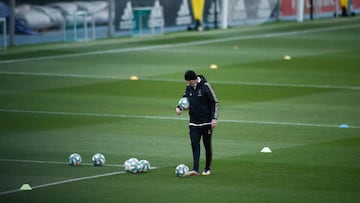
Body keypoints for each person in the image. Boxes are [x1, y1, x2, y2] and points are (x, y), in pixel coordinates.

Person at [176, 70, 219, 176]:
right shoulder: (189, 87)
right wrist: (179, 107)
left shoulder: (206, 86)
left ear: (193, 79)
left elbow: (215, 102)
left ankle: (207, 167)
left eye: (188, 81)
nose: (187, 83)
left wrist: (214, 118)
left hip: (206, 122)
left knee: (207, 145)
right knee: (195, 145)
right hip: (194, 123)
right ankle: (195, 169)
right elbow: (184, 99)